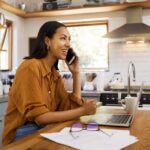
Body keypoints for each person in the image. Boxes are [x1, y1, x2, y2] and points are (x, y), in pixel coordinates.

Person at [2, 21, 97, 145]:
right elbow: (41, 118)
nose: (68, 44)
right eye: (63, 38)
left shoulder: (54, 74)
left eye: (69, 39)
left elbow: (68, 108)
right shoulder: (30, 67)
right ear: (47, 41)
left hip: (44, 128)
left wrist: (76, 73)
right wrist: (83, 111)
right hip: (21, 134)